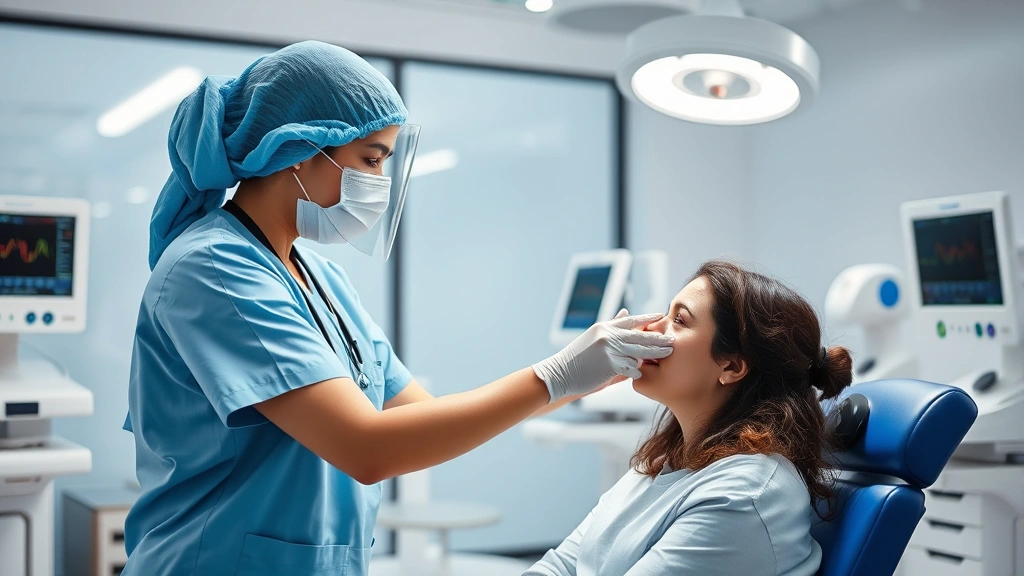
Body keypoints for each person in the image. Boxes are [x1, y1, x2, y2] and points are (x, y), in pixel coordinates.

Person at [121, 40, 674, 576]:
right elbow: (366, 447)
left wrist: (584, 376)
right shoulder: (214, 267)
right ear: (299, 150)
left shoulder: (320, 279)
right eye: (370, 159)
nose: (379, 182)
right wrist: (555, 375)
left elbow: (422, 418)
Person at [526, 259, 853, 576]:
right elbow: (561, 565)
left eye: (679, 320)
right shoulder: (660, 464)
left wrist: (557, 381)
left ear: (731, 366)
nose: (648, 327)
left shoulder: (745, 494)